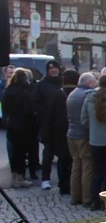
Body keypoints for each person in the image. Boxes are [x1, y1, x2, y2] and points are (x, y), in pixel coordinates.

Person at [2, 68, 37, 187]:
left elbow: (5, 109)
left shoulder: (8, 91)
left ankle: (14, 176)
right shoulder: (25, 93)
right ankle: (20, 178)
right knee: (21, 153)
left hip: (12, 124)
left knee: (14, 152)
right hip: (24, 126)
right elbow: (29, 110)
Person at [66, 72, 97, 206]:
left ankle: (75, 196)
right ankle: (87, 198)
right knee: (87, 167)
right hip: (83, 135)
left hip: (71, 134)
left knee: (76, 166)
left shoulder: (73, 93)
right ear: (89, 83)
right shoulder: (87, 95)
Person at [34, 59, 64, 189]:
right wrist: (44, 114)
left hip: (62, 124)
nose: (53, 70)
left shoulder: (62, 82)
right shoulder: (41, 85)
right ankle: (45, 179)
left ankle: (63, 181)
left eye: (55, 68)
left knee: (63, 155)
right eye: (51, 68)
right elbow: (35, 103)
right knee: (48, 154)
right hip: (48, 124)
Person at [82, 75, 106, 210]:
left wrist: (92, 130)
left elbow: (84, 120)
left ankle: (94, 201)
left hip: (94, 140)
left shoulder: (89, 98)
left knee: (97, 171)